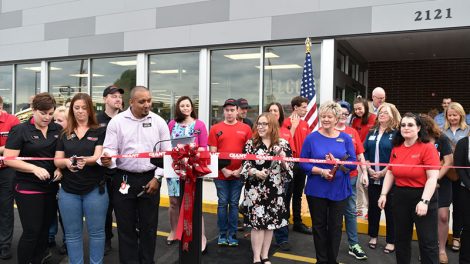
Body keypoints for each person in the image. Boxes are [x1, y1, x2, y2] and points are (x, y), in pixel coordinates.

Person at [100, 86, 171, 264]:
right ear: (131, 102)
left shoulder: (159, 122)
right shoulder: (117, 122)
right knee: (126, 226)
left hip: (151, 178)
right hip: (123, 178)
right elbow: (109, 149)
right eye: (141, 102)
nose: (147, 105)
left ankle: (147, 261)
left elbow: (167, 154)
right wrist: (108, 160)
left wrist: (158, 178)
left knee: (148, 226)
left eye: (149, 100)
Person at [4, 93, 62, 264]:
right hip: (27, 186)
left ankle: (37, 260)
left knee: (44, 230)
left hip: (50, 186)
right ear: (34, 110)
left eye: (51, 113)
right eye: (43, 113)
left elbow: (61, 155)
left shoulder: (57, 129)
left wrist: (60, 168)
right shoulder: (20, 130)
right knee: (32, 231)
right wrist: (33, 168)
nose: (47, 117)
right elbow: (9, 159)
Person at [379, 112, 440, 264]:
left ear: (419, 128)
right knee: (401, 240)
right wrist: (383, 194)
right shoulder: (397, 148)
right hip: (400, 196)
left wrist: (424, 201)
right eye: (403, 125)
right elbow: (391, 172)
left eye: (410, 125)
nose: (406, 128)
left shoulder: (428, 148)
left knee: (427, 242)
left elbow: (433, 177)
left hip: (422, 196)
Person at [300, 101, 357, 264]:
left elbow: (353, 163)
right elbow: (303, 163)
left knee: (335, 227)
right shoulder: (311, 138)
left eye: (329, 116)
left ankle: (332, 260)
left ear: (336, 118)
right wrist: (321, 171)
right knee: (319, 227)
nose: (325, 119)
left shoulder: (345, 138)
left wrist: (338, 162)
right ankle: (321, 260)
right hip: (316, 189)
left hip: (339, 190)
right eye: (323, 116)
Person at [54, 93, 108, 264]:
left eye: (84, 108)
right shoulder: (64, 133)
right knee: (71, 234)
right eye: (76, 108)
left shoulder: (99, 131)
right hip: (69, 191)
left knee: (97, 232)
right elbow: (57, 160)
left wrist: (86, 160)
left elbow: (98, 156)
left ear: (90, 109)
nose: (80, 111)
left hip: (95, 189)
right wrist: (66, 162)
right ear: (72, 110)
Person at [240, 112, 293, 264]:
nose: (261, 127)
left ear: (273, 126)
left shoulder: (282, 144)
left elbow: (290, 169)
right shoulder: (251, 143)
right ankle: (256, 258)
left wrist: (283, 159)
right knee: (257, 225)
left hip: (275, 191)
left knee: (270, 225)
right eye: (259, 124)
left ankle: (265, 256)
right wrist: (255, 172)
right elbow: (244, 166)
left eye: (265, 124)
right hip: (255, 191)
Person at [166, 96, 209, 253]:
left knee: (194, 204)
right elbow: (166, 144)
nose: (185, 108)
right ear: (178, 108)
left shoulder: (199, 125)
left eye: (188, 105)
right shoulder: (171, 124)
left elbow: (204, 147)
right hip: (174, 170)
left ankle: (201, 236)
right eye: (182, 105)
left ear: (192, 108)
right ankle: (174, 231)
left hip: (193, 170)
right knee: (174, 202)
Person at [208, 98, 252, 247]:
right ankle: (222, 234)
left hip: (238, 174)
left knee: (233, 204)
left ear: (237, 111)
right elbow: (213, 153)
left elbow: (248, 153)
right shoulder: (215, 129)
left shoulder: (246, 129)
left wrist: (240, 170)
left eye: (232, 110)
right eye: (227, 110)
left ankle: (232, 235)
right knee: (222, 203)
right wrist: (224, 169)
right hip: (221, 175)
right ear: (223, 111)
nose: (229, 113)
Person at [363, 102, 400, 253]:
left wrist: (385, 171)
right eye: (380, 112)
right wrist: (368, 169)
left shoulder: (397, 133)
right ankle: (373, 236)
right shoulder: (372, 132)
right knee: (373, 209)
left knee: (391, 210)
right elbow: (363, 152)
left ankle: (391, 240)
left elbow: (397, 156)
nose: (382, 114)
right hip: (372, 177)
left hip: (390, 179)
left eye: (386, 111)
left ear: (393, 114)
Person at [336, 101, 368, 260]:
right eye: (340, 112)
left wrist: (365, 173)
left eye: (345, 113)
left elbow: (360, 154)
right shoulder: (327, 131)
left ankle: (353, 244)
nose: (342, 115)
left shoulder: (352, 132)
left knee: (350, 212)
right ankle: (330, 245)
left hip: (351, 179)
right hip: (332, 180)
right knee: (332, 213)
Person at [420, 114, 453, 264]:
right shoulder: (417, 140)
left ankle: (441, 250)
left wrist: (436, 179)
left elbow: (448, 161)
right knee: (425, 218)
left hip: (442, 182)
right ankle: (427, 249)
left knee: (443, 216)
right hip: (421, 183)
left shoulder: (442, 138)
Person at [96, 85, 124, 255]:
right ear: (105, 99)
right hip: (103, 173)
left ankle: (128, 240)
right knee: (105, 210)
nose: (118, 99)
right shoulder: (96, 119)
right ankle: (106, 239)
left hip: (122, 171)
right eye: (113, 96)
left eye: (120, 96)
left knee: (124, 209)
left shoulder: (127, 119)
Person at [282, 96, 312, 235]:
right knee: (287, 193)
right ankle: (284, 221)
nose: (306, 109)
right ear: (295, 107)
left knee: (298, 194)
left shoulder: (305, 124)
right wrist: (292, 127)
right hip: (289, 163)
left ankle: (297, 222)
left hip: (302, 164)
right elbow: (284, 143)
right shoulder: (286, 123)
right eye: (304, 107)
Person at [267, 102, 294, 251]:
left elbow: (291, 156)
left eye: (275, 110)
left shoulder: (286, 132)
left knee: (282, 207)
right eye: (270, 110)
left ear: (280, 114)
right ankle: (265, 238)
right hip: (265, 177)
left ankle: (282, 238)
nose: (272, 112)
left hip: (282, 178)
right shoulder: (261, 131)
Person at [442, 102, 469, 252]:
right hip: (445, 173)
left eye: (455, 115)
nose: (452, 118)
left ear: (461, 115)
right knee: (443, 208)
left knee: (459, 207)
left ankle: (457, 237)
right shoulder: (441, 131)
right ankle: (443, 236)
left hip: (462, 175)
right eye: (450, 115)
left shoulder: (468, 131)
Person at [0, 96, 20, 260]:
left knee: (6, 208)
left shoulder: (12, 121)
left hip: (6, 171)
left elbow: (16, 144)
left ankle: (4, 244)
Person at [48, 105, 69, 255]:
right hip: (48, 178)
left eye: (59, 120)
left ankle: (68, 241)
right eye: (54, 119)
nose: (55, 122)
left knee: (66, 214)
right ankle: (49, 237)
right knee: (49, 210)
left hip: (67, 179)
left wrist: (60, 168)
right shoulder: (49, 133)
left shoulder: (71, 137)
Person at [350, 96, 376, 219]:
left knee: (365, 183)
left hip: (369, 155)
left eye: (360, 108)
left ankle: (370, 208)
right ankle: (359, 208)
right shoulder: (354, 120)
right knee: (358, 184)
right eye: (355, 109)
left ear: (365, 107)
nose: (358, 111)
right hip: (357, 155)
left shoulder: (373, 119)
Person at [454, 130, 470, 263]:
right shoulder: (463, 143)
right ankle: (464, 260)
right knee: (468, 226)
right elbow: (459, 167)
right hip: (466, 190)